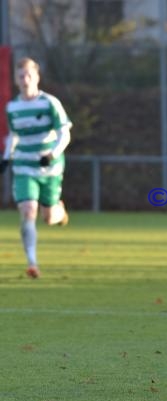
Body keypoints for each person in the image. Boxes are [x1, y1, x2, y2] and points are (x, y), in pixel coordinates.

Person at [0, 57, 71, 278]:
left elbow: (64, 133)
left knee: (48, 217)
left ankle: (59, 213)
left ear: (37, 77)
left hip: (50, 168)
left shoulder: (50, 102)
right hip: (24, 167)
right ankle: (32, 263)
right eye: (21, 76)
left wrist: (52, 154)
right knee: (28, 211)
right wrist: (5, 157)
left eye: (29, 75)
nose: (25, 79)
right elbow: (13, 136)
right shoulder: (12, 107)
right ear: (16, 79)